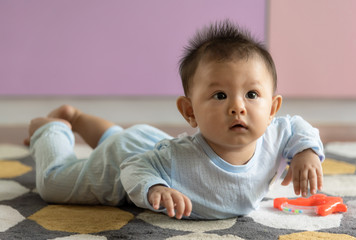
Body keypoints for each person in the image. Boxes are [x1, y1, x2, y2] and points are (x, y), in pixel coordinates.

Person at [25, 20, 324, 220]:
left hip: (150, 143)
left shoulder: (275, 134)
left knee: (117, 140)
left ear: (272, 108)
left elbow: (297, 126)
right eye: (220, 96)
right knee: (52, 185)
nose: (237, 107)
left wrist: (306, 152)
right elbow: (134, 167)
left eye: (252, 94)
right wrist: (155, 189)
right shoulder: (177, 158)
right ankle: (49, 129)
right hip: (124, 165)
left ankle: (77, 117)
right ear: (189, 112)